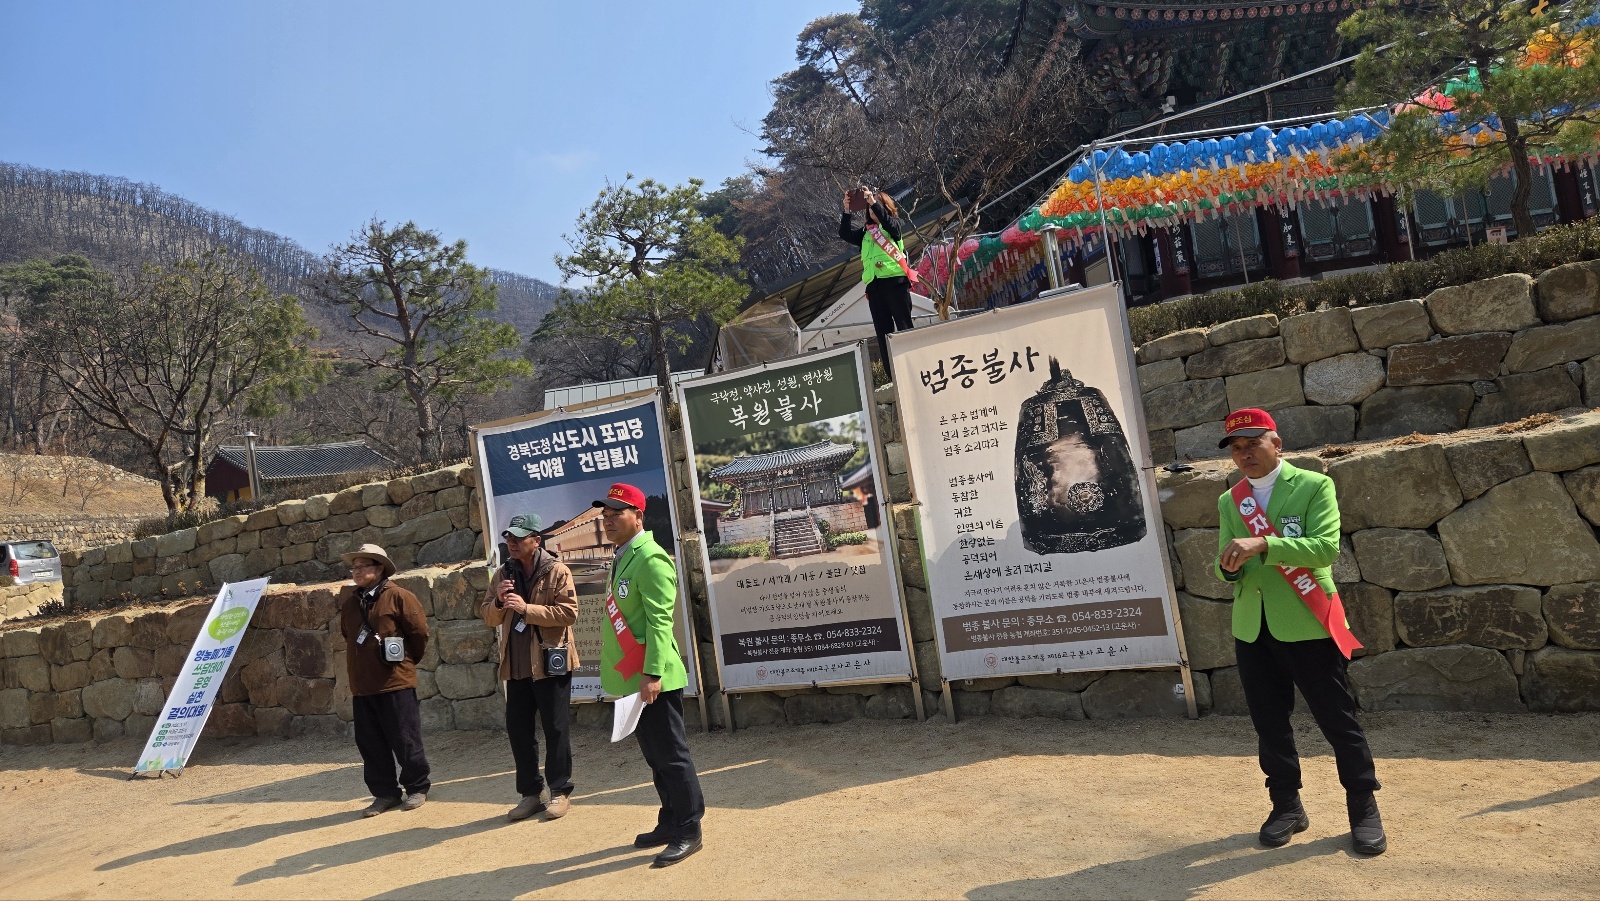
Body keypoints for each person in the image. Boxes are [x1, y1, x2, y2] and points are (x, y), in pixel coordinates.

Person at [1214, 408, 1386, 855]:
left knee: (1337, 719)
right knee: (1269, 723)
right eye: (1236, 448)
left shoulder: (1313, 485)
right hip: (1252, 626)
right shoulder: (1231, 500)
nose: (1245, 454)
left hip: (1308, 621)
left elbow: (1325, 548)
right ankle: (1286, 805)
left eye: (1253, 444)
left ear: (1277, 444)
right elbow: (1224, 563)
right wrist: (1227, 567)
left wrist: (1264, 543)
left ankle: (1363, 805)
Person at [594, 482, 705, 867]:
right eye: (605, 515)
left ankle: (689, 829)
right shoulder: (623, 555)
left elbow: (661, 622)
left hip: (651, 678)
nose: (608, 521)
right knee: (655, 757)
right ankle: (669, 820)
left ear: (638, 516)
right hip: (632, 676)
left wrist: (652, 673)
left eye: (616, 514)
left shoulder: (652, 558)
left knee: (672, 756)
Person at [479, 513, 580, 822]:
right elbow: (487, 616)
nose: (512, 542)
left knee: (556, 728)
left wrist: (527, 609)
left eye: (518, 537)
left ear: (536, 540)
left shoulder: (557, 571)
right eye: (509, 537)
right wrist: (499, 602)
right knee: (519, 731)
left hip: (550, 661)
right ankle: (531, 794)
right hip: (517, 663)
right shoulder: (503, 573)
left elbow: (569, 613)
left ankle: (559, 791)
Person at [337, 543, 432, 817]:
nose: (356, 571)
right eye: (354, 567)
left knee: (405, 738)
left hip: (395, 682)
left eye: (362, 566)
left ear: (379, 569)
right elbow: (348, 635)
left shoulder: (399, 596)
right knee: (371, 744)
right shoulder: (351, 604)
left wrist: (404, 663)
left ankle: (417, 787)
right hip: (363, 685)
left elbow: (419, 634)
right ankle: (385, 793)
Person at [839, 186, 916, 379]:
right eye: (870, 206)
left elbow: (889, 223)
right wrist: (847, 210)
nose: (872, 209)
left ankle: (914, 370)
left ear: (886, 207)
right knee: (883, 334)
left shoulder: (894, 225)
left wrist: (873, 201)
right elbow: (845, 234)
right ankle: (893, 376)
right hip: (874, 288)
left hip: (895, 283)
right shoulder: (866, 233)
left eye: (876, 205)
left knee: (904, 327)